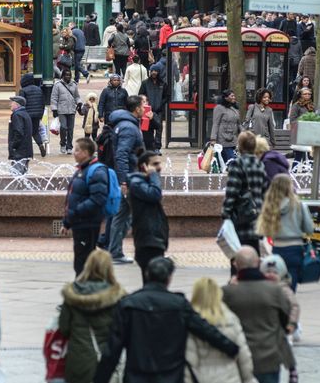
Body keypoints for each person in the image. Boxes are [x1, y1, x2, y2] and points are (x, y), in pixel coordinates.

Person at [94, 257, 239, 383]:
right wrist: (231, 348)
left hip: (136, 374)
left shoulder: (128, 304)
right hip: (170, 375)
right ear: (169, 278)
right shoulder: (179, 304)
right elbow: (205, 330)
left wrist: (100, 379)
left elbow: (113, 348)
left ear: (147, 274)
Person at [223, 247, 291, 383]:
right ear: (259, 263)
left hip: (238, 358)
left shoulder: (227, 293)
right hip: (269, 357)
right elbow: (285, 320)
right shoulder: (275, 290)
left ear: (235, 264)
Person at [59, 249, 127, 383]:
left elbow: (64, 328)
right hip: (107, 361)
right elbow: (122, 333)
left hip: (78, 361)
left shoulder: (72, 294)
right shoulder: (117, 297)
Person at [185, 278, 256, 383]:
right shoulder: (230, 318)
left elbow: (190, 360)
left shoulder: (191, 322)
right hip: (230, 377)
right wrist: (248, 379)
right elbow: (243, 355)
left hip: (203, 378)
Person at [257, 174, 314, 291]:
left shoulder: (270, 207)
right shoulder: (299, 205)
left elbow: (264, 231)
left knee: (278, 286)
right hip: (295, 249)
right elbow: (309, 229)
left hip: (277, 248)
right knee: (291, 287)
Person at [62, 138, 109, 276]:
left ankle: (85, 290)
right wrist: (67, 222)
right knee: (81, 261)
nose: (74, 153)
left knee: (84, 262)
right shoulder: (82, 169)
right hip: (79, 222)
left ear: (86, 152)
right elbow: (74, 197)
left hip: (87, 223)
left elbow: (97, 199)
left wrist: (76, 212)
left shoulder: (96, 171)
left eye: (77, 150)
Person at [107, 96, 145, 264]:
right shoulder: (129, 128)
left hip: (128, 176)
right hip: (129, 177)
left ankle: (115, 251)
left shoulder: (125, 124)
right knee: (137, 214)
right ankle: (146, 251)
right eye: (143, 105)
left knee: (122, 215)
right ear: (136, 108)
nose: (145, 108)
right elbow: (122, 154)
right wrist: (124, 181)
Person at [222, 131, 268, 255]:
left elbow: (231, 193)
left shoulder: (237, 164)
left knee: (239, 258)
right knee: (254, 256)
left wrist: (225, 214)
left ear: (240, 146)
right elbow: (265, 191)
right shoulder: (260, 164)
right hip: (257, 218)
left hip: (242, 219)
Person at [259, 255, 300, 381]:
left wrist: (292, 323)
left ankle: (292, 368)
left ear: (281, 274)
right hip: (266, 324)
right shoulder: (261, 287)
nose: (271, 275)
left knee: (284, 346)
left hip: (282, 325)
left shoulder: (284, 289)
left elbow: (294, 306)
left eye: (275, 272)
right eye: (268, 272)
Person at [129, 150, 168, 283]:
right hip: (147, 241)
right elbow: (155, 195)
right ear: (144, 166)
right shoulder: (136, 183)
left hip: (154, 239)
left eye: (159, 163)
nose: (159, 167)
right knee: (151, 281)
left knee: (155, 281)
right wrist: (154, 176)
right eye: (155, 164)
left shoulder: (144, 182)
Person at [51, 69, 82, 154]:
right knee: (63, 127)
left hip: (71, 109)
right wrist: (54, 109)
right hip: (61, 110)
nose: (68, 77)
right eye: (66, 75)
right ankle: (63, 144)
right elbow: (54, 97)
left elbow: (77, 96)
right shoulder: (57, 85)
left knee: (70, 129)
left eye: (69, 75)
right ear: (63, 76)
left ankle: (69, 146)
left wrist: (79, 103)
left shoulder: (74, 85)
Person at [139, 63, 168, 153]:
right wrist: (145, 104)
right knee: (147, 128)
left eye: (156, 71)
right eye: (152, 71)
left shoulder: (163, 84)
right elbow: (140, 95)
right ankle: (149, 146)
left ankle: (157, 147)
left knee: (159, 128)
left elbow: (167, 96)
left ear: (159, 72)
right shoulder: (145, 83)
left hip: (159, 110)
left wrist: (161, 104)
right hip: (147, 110)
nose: (154, 73)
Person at [18, 73, 47, 157]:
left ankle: (27, 151)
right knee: (35, 132)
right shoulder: (39, 89)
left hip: (27, 115)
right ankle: (40, 145)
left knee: (26, 132)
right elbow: (43, 102)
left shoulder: (23, 90)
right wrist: (40, 114)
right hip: (37, 114)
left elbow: (21, 103)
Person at [210, 89, 242, 163]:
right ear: (226, 98)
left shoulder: (234, 108)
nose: (234, 97)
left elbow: (238, 124)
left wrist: (245, 134)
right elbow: (215, 124)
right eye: (232, 96)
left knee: (230, 162)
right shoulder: (219, 108)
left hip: (233, 140)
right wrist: (213, 139)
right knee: (232, 162)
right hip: (223, 140)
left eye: (234, 95)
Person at [289, 88, 314, 169]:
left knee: (310, 156)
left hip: (311, 133)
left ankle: (307, 173)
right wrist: (304, 119)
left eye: (309, 94)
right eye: (305, 94)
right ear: (301, 95)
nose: (307, 96)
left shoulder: (312, 105)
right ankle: (294, 172)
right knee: (299, 156)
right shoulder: (296, 105)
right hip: (300, 133)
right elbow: (292, 120)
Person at [8, 96, 33, 175]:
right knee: (23, 176)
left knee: (16, 176)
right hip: (26, 150)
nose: (10, 104)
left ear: (17, 105)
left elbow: (18, 133)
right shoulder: (24, 114)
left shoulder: (17, 115)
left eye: (12, 103)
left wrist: (13, 146)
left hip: (20, 151)